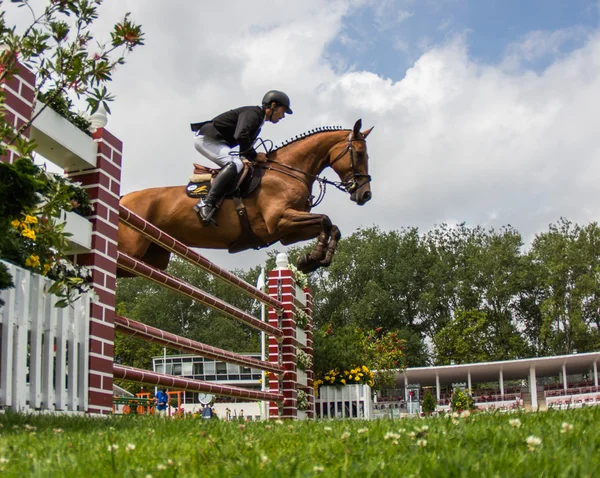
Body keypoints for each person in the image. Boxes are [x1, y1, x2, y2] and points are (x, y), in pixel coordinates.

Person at [190, 90, 293, 225]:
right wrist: (255, 155)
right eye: (283, 110)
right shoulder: (253, 113)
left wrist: (252, 158)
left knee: (240, 163)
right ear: (273, 105)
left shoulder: (258, 121)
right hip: (207, 140)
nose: (283, 116)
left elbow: (243, 149)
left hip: (217, 142)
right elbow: (241, 135)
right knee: (236, 164)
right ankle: (206, 203)